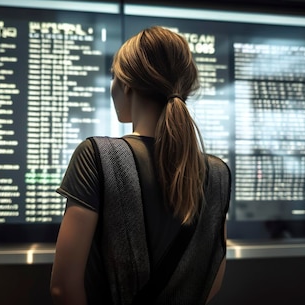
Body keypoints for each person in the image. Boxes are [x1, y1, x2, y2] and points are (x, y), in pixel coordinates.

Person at [50, 25, 231, 305]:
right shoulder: (218, 173)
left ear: (126, 85)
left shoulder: (96, 156)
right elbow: (213, 281)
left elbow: (64, 287)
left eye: (113, 76)